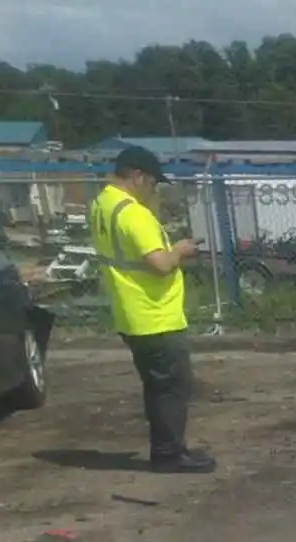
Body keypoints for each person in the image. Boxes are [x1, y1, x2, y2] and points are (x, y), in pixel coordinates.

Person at [88, 146, 216, 473]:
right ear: (138, 176)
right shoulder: (133, 213)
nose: (154, 189)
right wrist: (181, 250)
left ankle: (167, 449)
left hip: (131, 313)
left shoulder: (102, 205)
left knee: (158, 386)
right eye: (153, 183)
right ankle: (169, 454)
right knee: (173, 387)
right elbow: (159, 263)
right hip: (155, 315)